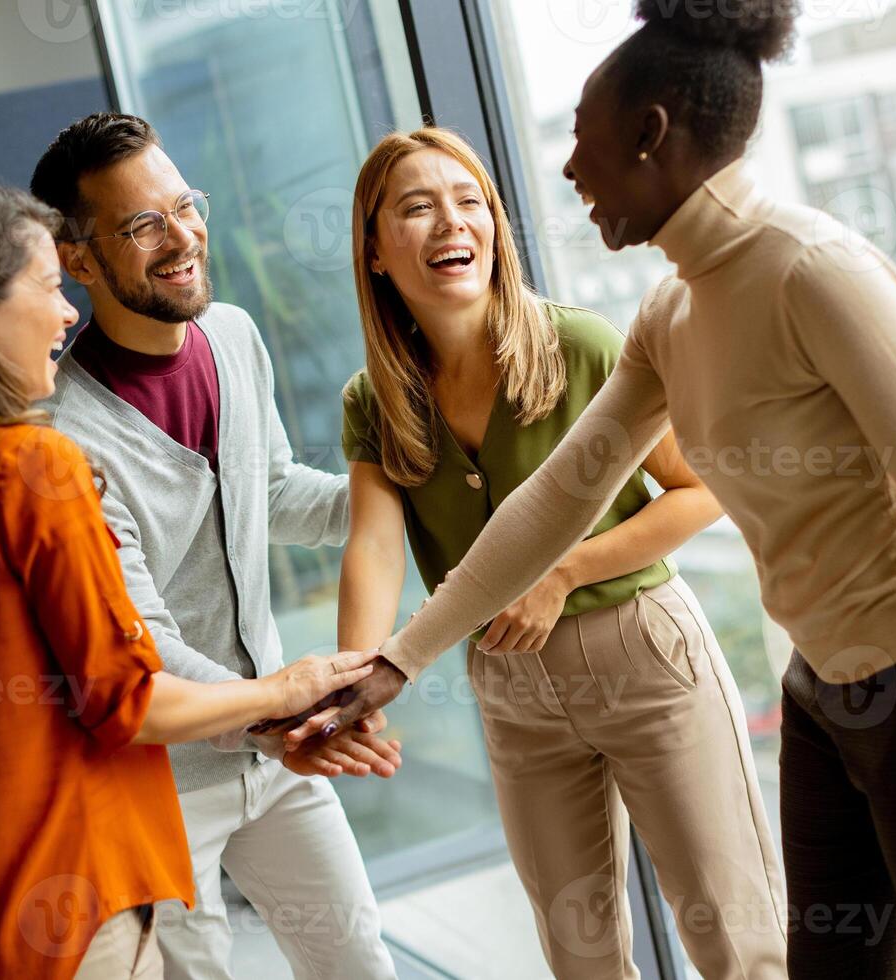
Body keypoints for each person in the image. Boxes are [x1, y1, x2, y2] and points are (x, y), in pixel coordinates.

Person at [284, 2, 896, 976]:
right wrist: (397, 660)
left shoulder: (813, 269)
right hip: (823, 686)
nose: (570, 170)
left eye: (582, 139)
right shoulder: (671, 311)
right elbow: (553, 498)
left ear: (651, 135)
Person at [0, 178, 382, 980]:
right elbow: (128, 697)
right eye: (47, 287)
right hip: (74, 902)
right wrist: (287, 691)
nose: (68, 312)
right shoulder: (30, 465)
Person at [323, 125, 786, 977]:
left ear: (495, 227)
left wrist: (565, 570)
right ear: (375, 252)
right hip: (509, 686)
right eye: (417, 209)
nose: (449, 225)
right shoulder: (373, 402)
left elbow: (702, 490)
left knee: (735, 938)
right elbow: (376, 548)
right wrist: (359, 674)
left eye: (469, 204)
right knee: (580, 957)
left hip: (643, 652)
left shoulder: (583, 346)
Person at [29, 113, 400, 979]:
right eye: (141, 225)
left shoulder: (231, 333)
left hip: (277, 750)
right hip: (161, 776)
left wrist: (397, 491)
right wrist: (281, 708)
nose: (181, 236)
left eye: (184, 206)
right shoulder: (63, 435)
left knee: (357, 961)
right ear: (79, 261)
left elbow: (269, 492)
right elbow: (144, 641)